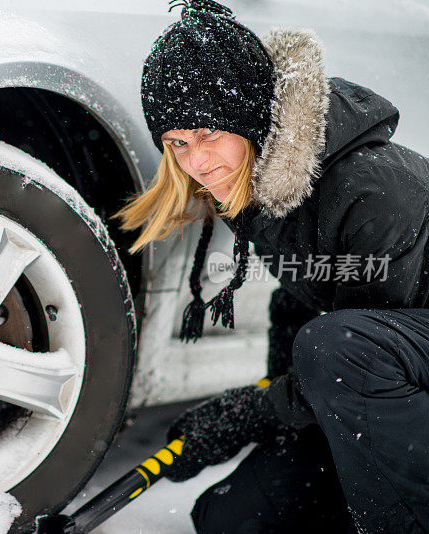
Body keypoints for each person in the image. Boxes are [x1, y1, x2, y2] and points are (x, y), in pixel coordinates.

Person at [113, 1, 429, 532]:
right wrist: (271, 418)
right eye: (177, 143)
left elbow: (355, 359)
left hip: (395, 374)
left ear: (251, 119)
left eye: (210, 134)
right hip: (389, 390)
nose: (197, 162)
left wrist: (248, 413)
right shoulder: (265, 188)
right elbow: (300, 311)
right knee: (233, 518)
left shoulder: (373, 189)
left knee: (336, 348)